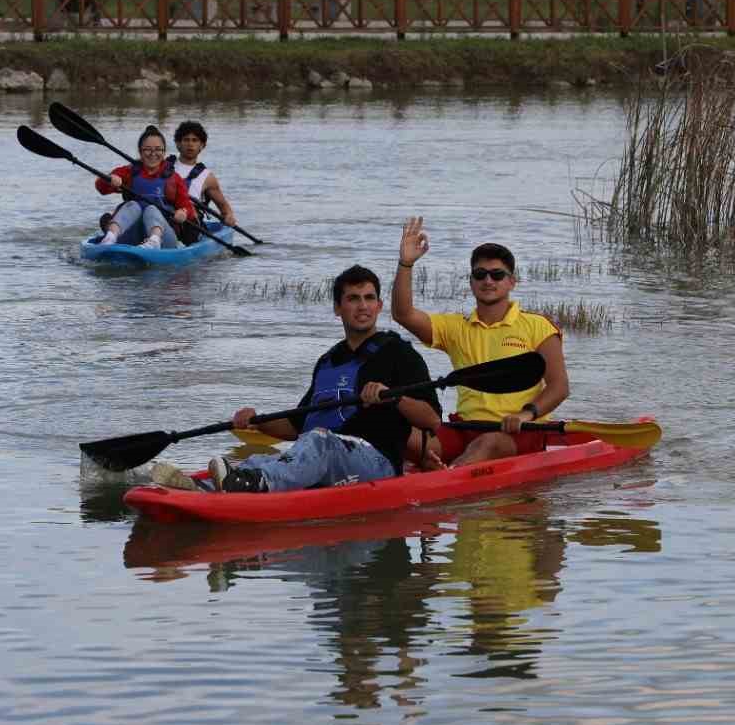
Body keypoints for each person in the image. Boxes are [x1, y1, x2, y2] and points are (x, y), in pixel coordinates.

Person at [149, 265, 442, 493]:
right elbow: (296, 426)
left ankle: (252, 484)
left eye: (369, 298)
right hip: (323, 453)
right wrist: (257, 421)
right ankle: (206, 487)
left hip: (376, 464)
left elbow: (432, 421)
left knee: (319, 441)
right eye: (353, 299)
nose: (362, 306)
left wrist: (394, 397)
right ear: (338, 308)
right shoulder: (328, 361)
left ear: (379, 306)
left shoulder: (399, 353)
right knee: (268, 455)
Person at [389, 216, 569, 468]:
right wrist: (405, 264)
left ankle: (443, 480)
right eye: (480, 274)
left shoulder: (538, 326)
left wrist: (525, 414)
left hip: (519, 433)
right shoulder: (455, 327)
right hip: (465, 427)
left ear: (511, 282)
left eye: (497, 275)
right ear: (471, 281)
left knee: (487, 445)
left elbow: (559, 387)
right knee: (397, 433)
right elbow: (403, 314)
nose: (488, 280)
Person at [95, 124, 198, 249]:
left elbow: (187, 208)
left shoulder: (174, 178)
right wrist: (110, 180)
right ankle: (110, 237)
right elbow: (100, 187)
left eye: (158, 149)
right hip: (132, 235)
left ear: (164, 152)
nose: (153, 154)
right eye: (148, 149)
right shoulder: (128, 172)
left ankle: (153, 241)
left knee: (151, 209)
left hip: (164, 239)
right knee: (132, 205)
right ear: (140, 151)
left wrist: (183, 212)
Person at [169, 120, 238, 229]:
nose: (190, 144)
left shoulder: (207, 177)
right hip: (165, 215)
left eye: (195, 140)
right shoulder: (164, 166)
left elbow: (225, 210)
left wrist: (229, 217)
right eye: (186, 140)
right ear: (178, 144)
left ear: (202, 145)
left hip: (188, 225)